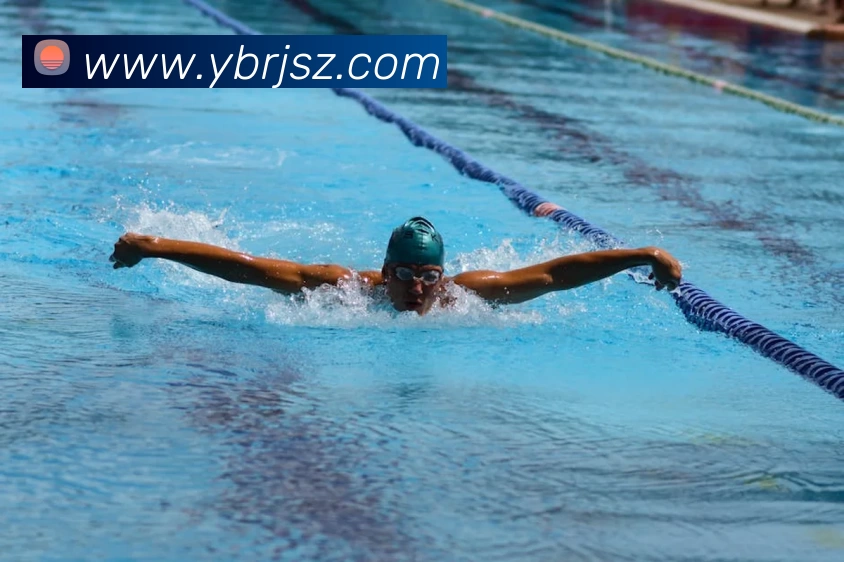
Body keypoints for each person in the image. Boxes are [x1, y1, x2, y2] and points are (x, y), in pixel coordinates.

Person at [109, 216, 683, 315]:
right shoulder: (343, 292)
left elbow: (557, 274)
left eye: (428, 277)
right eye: (405, 276)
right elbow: (249, 268)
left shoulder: (465, 296)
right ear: (386, 274)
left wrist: (642, 253)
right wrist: (155, 246)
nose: (416, 289)